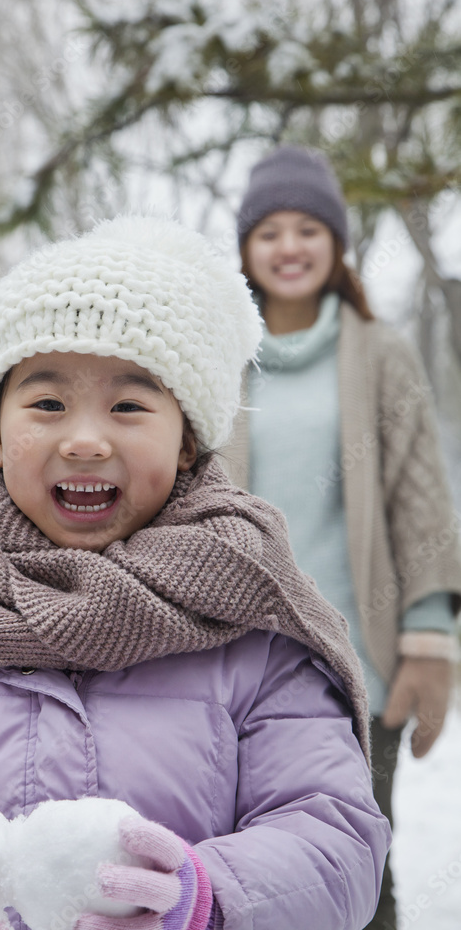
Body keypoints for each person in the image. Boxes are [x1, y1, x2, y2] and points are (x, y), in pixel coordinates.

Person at [0, 216, 390, 930]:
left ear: (189, 441)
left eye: (128, 406)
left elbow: (337, 840)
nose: (83, 439)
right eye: (46, 404)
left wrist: (202, 897)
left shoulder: (251, 620)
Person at [223, 145, 461, 930]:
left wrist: (427, 638)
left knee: (357, 875)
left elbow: (419, 503)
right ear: (245, 249)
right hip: (234, 668)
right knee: (239, 870)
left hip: (356, 671)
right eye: (269, 232)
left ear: (333, 242)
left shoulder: (377, 353)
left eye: (306, 229)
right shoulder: (219, 358)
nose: (288, 247)